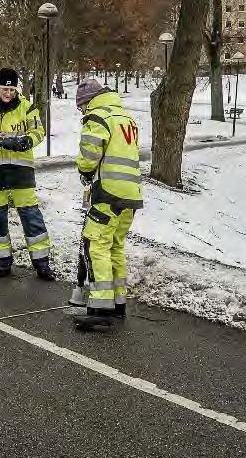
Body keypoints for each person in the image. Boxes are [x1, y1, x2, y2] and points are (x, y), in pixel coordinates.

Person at [0, 68, 56, 281]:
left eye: (12, 89)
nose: (8, 93)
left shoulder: (27, 107)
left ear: (17, 89)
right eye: (4, 88)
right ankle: (3, 261)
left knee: (31, 216)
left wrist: (25, 141)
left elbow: (39, 131)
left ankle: (42, 263)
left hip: (20, 171)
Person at [71, 78, 143, 327]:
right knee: (115, 246)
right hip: (131, 194)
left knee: (95, 244)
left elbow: (90, 154)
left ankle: (100, 308)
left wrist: (85, 171)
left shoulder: (97, 117)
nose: (82, 111)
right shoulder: (126, 118)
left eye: (81, 106)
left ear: (87, 101)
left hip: (108, 192)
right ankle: (118, 303)